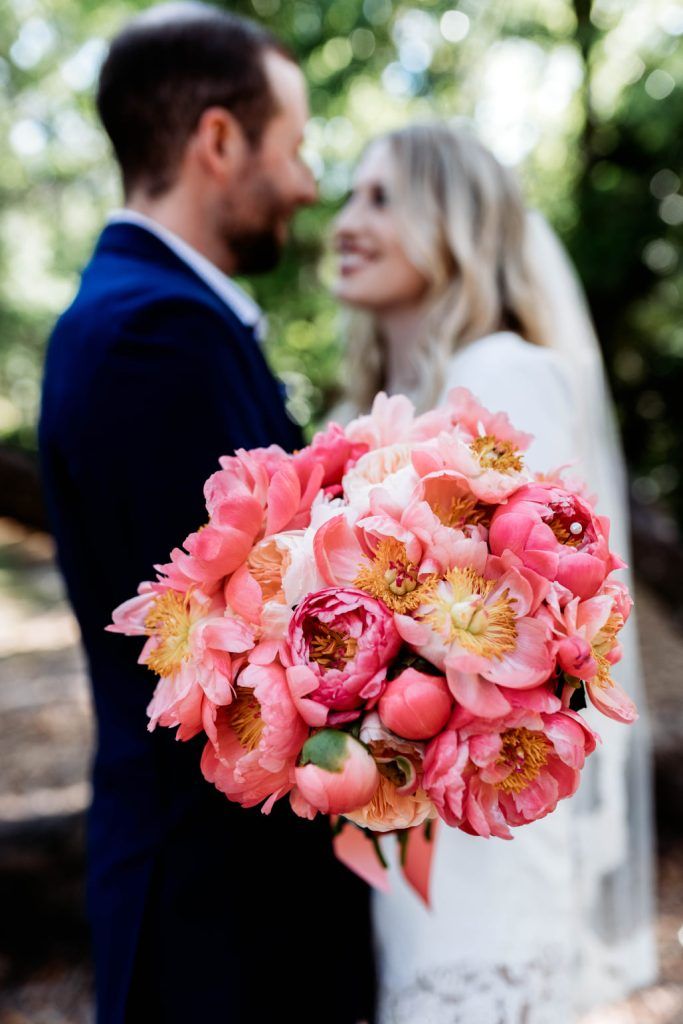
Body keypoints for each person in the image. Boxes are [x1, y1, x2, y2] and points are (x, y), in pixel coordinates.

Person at [38, 5, 376, 1023]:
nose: (311, 184)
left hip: (222, 904)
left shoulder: (151, 315)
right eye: (297, 146)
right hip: (218, 920)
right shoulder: (157, 338)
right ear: (218, 142)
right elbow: (236, 647)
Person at [331, 122, 657, 1023]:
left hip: (485, 809)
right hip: (402, 805)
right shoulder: (371, 398)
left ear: (454, 220)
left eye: (381, 197)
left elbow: (549, 622)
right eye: (351, 194)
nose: (345, 221)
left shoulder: (503, 373)